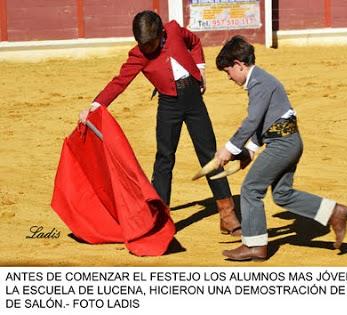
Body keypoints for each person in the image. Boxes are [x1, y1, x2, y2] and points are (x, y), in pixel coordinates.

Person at [79, 11, 241, 236]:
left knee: (209, 154)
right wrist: (95, 106)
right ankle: (160, 218)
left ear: (161, 33)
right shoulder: (138, 55)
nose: (146, 48)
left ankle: (227, 213)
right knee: (164, 158)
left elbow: (194, 42)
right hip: (168, 106)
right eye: (142, 44)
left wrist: (200, 69)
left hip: (194, 100)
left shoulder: (173, 30)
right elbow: (119, 82)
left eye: (150, 43)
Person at [214, 35, 347, 261]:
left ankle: (254, 245)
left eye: (228, 71)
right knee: (282, 194)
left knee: (250, 189)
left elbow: (252, 121)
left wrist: (229, 148)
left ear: (239, 65)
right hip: (289, 141)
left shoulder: (259, 83)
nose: (229, 77)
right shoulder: (261, 81)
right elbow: (267, 121)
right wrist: (250, 149)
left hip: (282, 144)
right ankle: (334, 212)